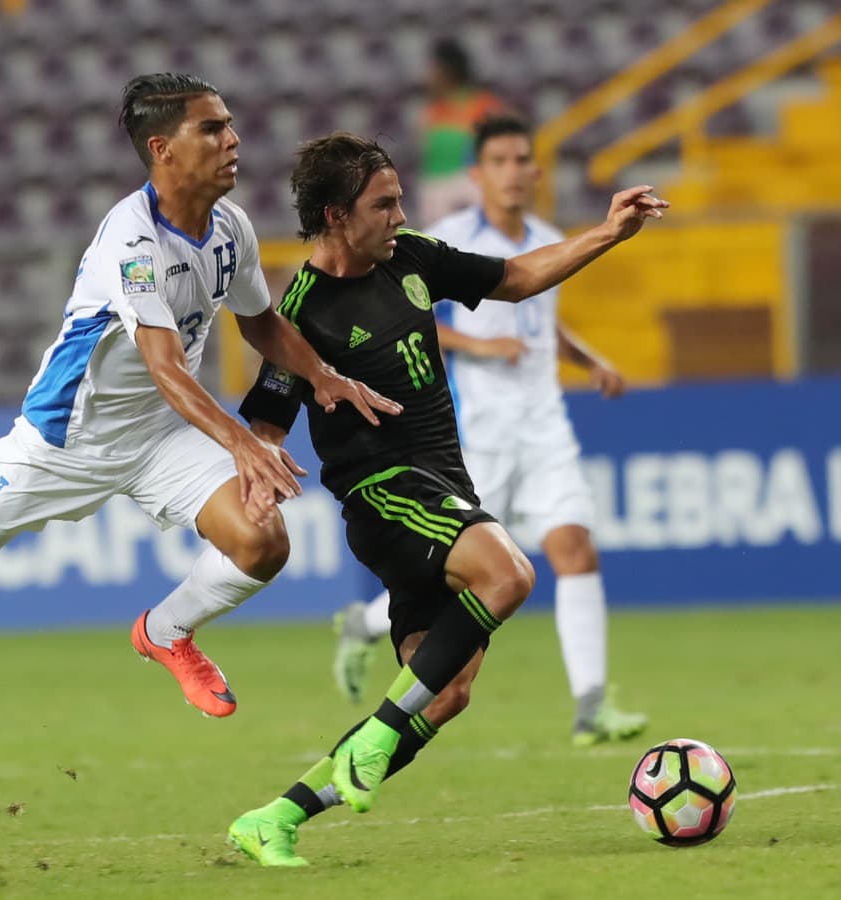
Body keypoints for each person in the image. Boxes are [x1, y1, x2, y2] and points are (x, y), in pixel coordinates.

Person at [0, 73, 399, 720]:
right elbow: (164, 365)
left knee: (264, 542)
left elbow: (260, 321)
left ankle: (166, 632)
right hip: (64, 439)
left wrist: (323, 375)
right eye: (211, 128)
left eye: (229, 124)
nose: (232, 139)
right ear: (162, 148)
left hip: (160, 436)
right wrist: (244, 443)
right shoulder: (132, 241)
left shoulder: (230, 228)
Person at [226, 132, 667, 866]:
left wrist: (608, 233)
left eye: (400, 199)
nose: (401, 214)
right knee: (512, 574)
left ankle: (276, 818)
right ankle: (374, 734)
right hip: (384, 495)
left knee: (446, 691)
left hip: (442, 484)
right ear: (336, 216)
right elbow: (266, 422)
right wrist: (261, 478)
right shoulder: (301, 313)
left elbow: (519, 278)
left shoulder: (414, 259)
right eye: (384, 204)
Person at [332, 114, 648, 747]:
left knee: (574, 549)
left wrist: (590, 362)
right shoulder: (435, 239)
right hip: (474, 440)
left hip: (545, 427)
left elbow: (540, 318)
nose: (513, 172)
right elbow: (408, 319)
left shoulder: (550, 238)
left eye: (522, 159)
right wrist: (477, 344)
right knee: (461, 578)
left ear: (535, 170)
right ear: (477, 175)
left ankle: (590, 704)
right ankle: (366, 626)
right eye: (499, 161)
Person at [416, 37, 506, 225]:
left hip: (471, 184)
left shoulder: (483, 105)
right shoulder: (431, 112)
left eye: (433, 69)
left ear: (447, 71)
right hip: (435, 186)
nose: (428, 75)